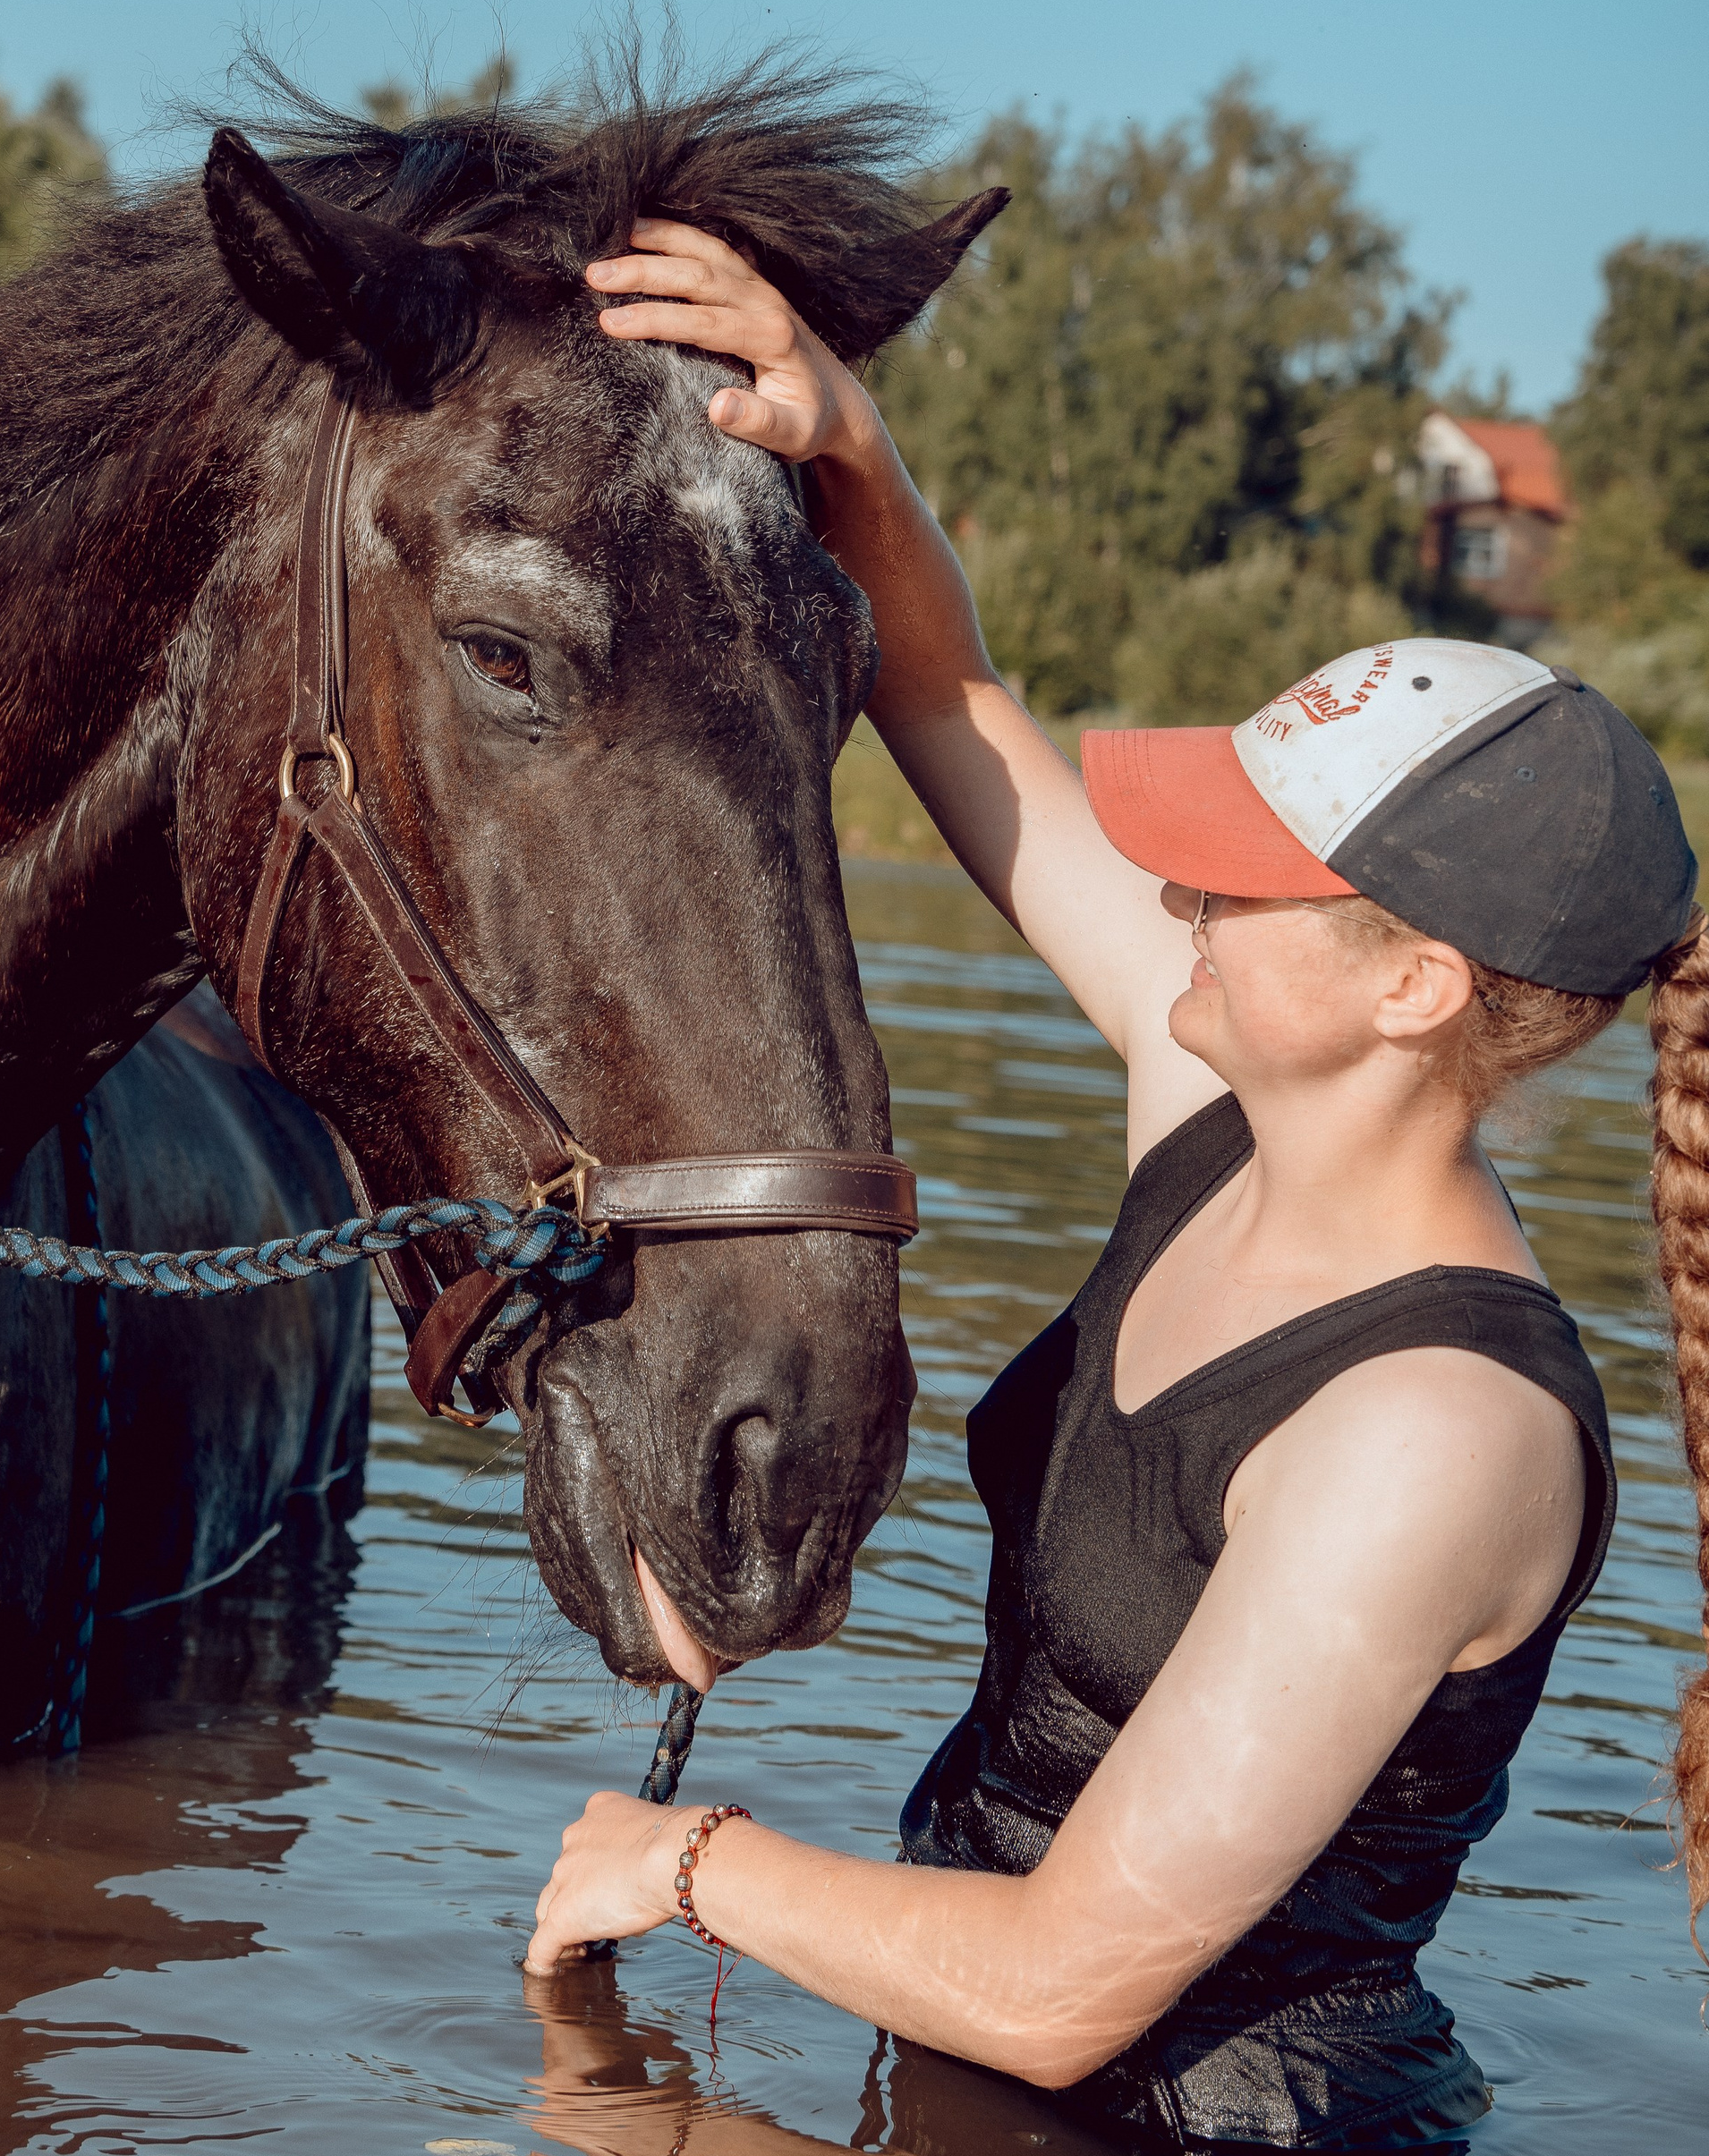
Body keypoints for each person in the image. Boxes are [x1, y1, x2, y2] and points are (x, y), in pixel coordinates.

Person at [523, 220, 1709, 2149]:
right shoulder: (1208, 1096)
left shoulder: (1431, 1429)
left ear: (1410, 986)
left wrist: (681, 1864)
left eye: (1237, 871)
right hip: (973, 2077)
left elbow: (1065, 1984)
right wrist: (849, 444)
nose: (1172, 888)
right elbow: (951, 696)